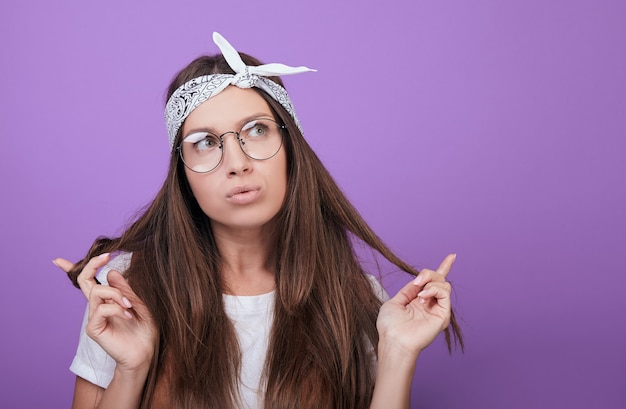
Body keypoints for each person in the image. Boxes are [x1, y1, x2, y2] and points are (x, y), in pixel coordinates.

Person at [53, 32, 463, 409]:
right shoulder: (129, 293)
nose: (237, 163)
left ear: (290, 146)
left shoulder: (351, 297)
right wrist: (131, 369)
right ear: (181, 172)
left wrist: (398, 353)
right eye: (205, 142)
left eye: (257, 130)